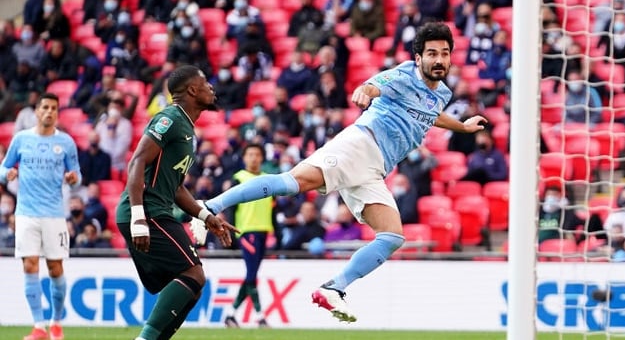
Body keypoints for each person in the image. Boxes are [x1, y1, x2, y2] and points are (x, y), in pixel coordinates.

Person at [192, 23, 487, 323]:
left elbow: (431, 114)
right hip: (360, 144)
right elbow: (373, 86)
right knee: (291, 183)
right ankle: (209, 206)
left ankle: (334, 288)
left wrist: (462, 126)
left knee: (392, 237)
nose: (439, 60)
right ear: (418, 57)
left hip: (375, 169)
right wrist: (363, 91)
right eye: (432, 53)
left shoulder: (442, 93)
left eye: (445, 53)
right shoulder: (404, 75)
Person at [115, 65, 236, 340]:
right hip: (147, 211)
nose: (211, 88)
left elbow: (177, 188)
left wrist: (207, 216)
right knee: (193, 273)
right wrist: (138, 217)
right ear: (192, 90)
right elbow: (136, 162)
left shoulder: (187, 128)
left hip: (157, 210)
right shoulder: (169, 118)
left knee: (193, 285)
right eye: (205, 83)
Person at [0, 92, 81, 340]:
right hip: (26, 213)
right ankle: (39, 326)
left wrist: (72, 179)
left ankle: (56, 323)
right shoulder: (21, 139)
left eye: (54, 108)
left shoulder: (66, 142)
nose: (49, 112)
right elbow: (4, 168)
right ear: (36, 111)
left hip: (55, 215)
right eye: (45, 107)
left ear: (57, 112)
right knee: (30, 265)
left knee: (55, 268)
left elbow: (77, 175)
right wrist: (7, 175)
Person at [223, 144, 273, 328]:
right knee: (252, 275)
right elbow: (231, 208)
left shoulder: (268, 180)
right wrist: (232, 231)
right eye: (250, 154)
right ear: (244, 158)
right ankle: (260, 317)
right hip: (247, 231)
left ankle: (230, 315)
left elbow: (272, 208)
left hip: (264, 231)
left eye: (257, 154)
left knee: (251, 275)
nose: (253, 158)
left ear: (262, 158)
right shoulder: (238, 179)